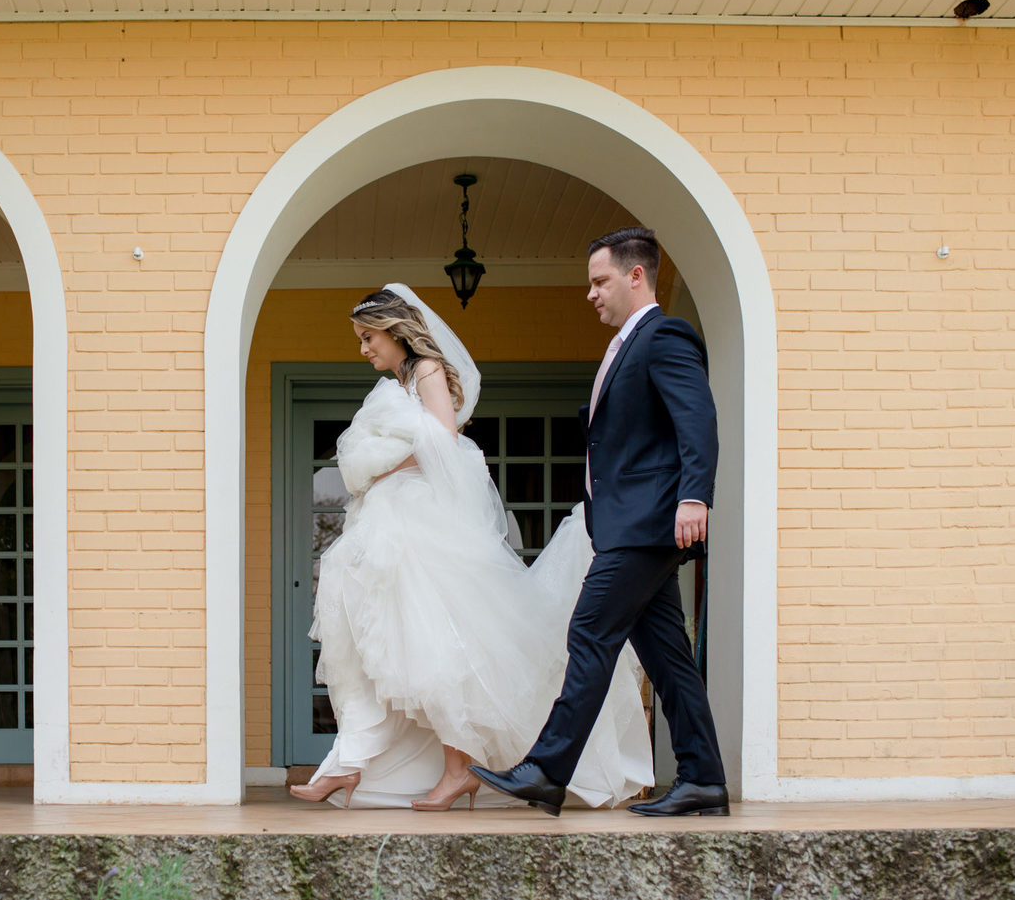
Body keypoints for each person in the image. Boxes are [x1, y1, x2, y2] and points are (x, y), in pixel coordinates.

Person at [289, 284, 653, 810]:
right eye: (361, 339)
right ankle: (349, 762)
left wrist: (373, 465)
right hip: (392, 525)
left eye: (369, 337)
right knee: (377, 650)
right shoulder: (398, 382)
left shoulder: (428, 372)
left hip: (424, 530)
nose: (364, 348)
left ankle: (455, 770)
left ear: (396, 331)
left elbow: (442, 446)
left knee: (434, 648)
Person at [472, 226, 729, 818]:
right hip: (628, 527)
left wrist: (695, 496)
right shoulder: (626, 347)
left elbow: (698, 421)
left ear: (635, 276)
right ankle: (704, 778)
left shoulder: (664, 336)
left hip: (648, 525)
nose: (590, 293)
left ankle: (546, 769)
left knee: (589, 633)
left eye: (599, 280)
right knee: (668, 659)